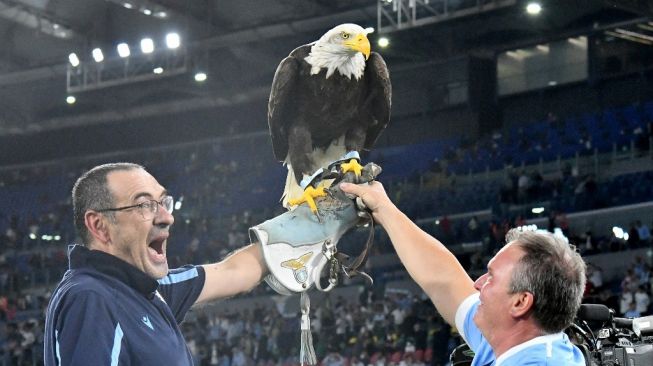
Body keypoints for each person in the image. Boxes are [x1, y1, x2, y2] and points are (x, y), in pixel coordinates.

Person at [339, 181, 586, 365]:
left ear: (520, 302)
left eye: (491, 277)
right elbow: (444, 280)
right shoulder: (512, 340)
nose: (477, 284)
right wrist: (384, 209)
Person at [44, 163, 267, 365]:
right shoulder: (92, 297)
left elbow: (231, 272)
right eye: (143, 205)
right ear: (99, 226)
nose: (166, 217)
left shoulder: (146, 289)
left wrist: (297, 224)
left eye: (162, 203)